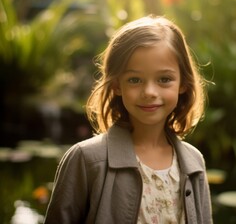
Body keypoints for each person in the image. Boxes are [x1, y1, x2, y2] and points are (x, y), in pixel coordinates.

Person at [44, 15, 212, 224]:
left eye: (164, 79)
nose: (150, 92)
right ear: (116, 85)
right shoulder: (86, 160)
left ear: (183, 84)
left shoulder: (194, 163)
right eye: (135, 80)